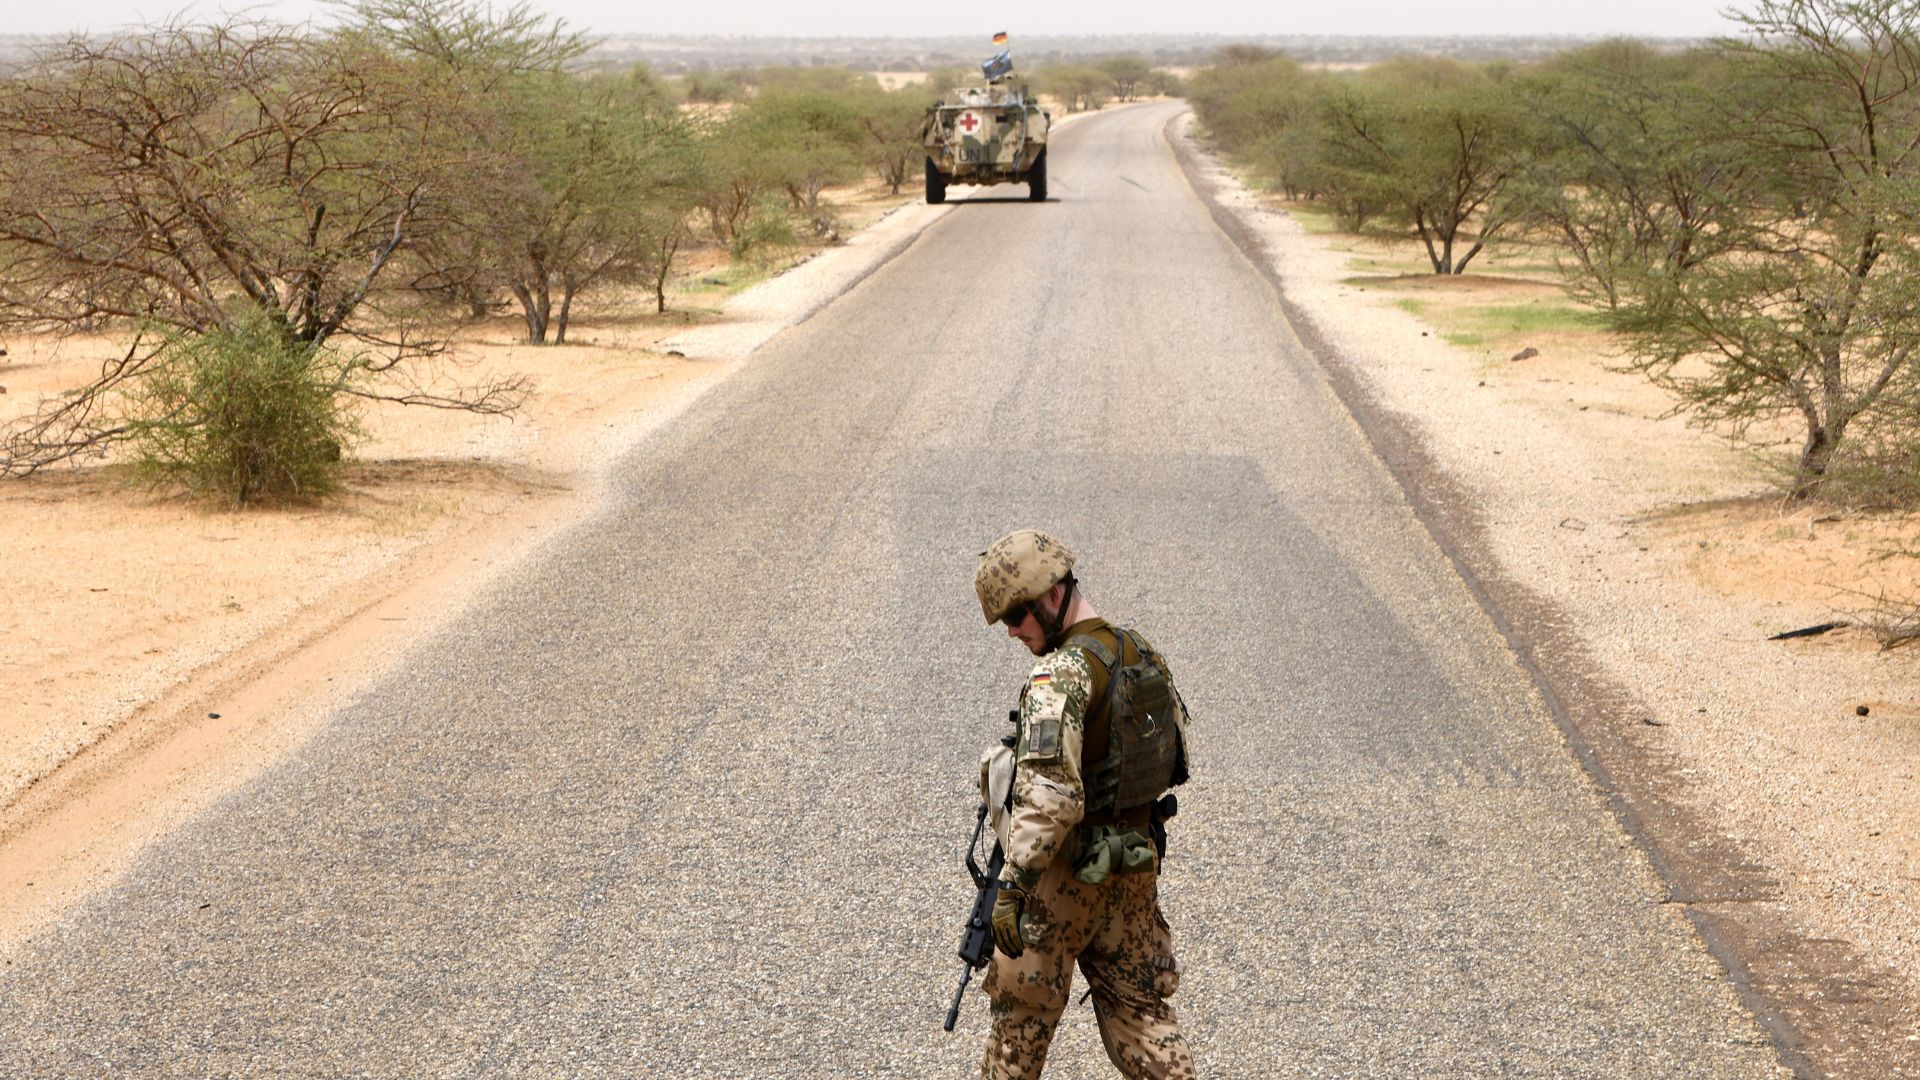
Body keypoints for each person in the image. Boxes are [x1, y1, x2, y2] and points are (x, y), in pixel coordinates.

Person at [971, 529, 1196, 1079]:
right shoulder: (1139, 653)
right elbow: (1175, 757)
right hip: (1132, 862)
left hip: (1064, 877)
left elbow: (1051, 797)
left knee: (1019, 1019)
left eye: (1016, 617)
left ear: (1051, 596)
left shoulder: (1059, 676)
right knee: (1139, 1011)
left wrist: (1015, 886)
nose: (1012, 632)